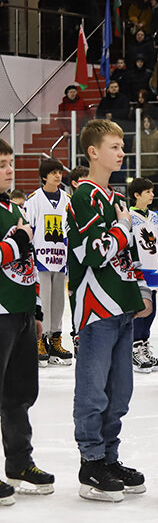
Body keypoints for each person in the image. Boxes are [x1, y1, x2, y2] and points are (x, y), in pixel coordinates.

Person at [67, 120, 151, 502]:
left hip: (122, 306)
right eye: (114, 147)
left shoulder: (115, 198)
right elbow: (91, 253)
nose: (121, 152)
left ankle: (110, 457)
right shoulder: (84, 196)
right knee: (93, 390)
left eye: (122, 146)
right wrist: (121, 229)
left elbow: (126, 255)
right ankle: (91, 461)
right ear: (93, 152)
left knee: (120, 393)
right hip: (97, 308)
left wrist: (140, 291)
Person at [0, 139, 56, 504]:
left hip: (19, 311)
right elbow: (17, 249)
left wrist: (36, 311)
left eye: (10, 163)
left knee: (19, 393)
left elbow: (28, 262)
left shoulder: (13, 208)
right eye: (1, 164)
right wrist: (18, 242)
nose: (9, 170)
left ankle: (19, 462)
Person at [24, 158, 71, 367]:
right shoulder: (33, 200)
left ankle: (55, 340)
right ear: (44, 176)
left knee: (58, 302)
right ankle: (40, 341)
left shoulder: (67, 199)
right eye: (53, 173)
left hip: (60, 259)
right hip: (40, 259)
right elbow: (29, 229)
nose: (58, 176)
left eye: (59, 172)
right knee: (43, 301)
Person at [128, 177, 158, 374]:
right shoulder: (129, 216)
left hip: (153, 268)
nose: (152, 194)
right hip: (138, 270)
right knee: (140, 308)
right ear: (137, 195)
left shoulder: (154, 216)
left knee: (152, 310)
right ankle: (134, 348)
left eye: (152, 191)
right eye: (148, 192)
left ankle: (144, 345)